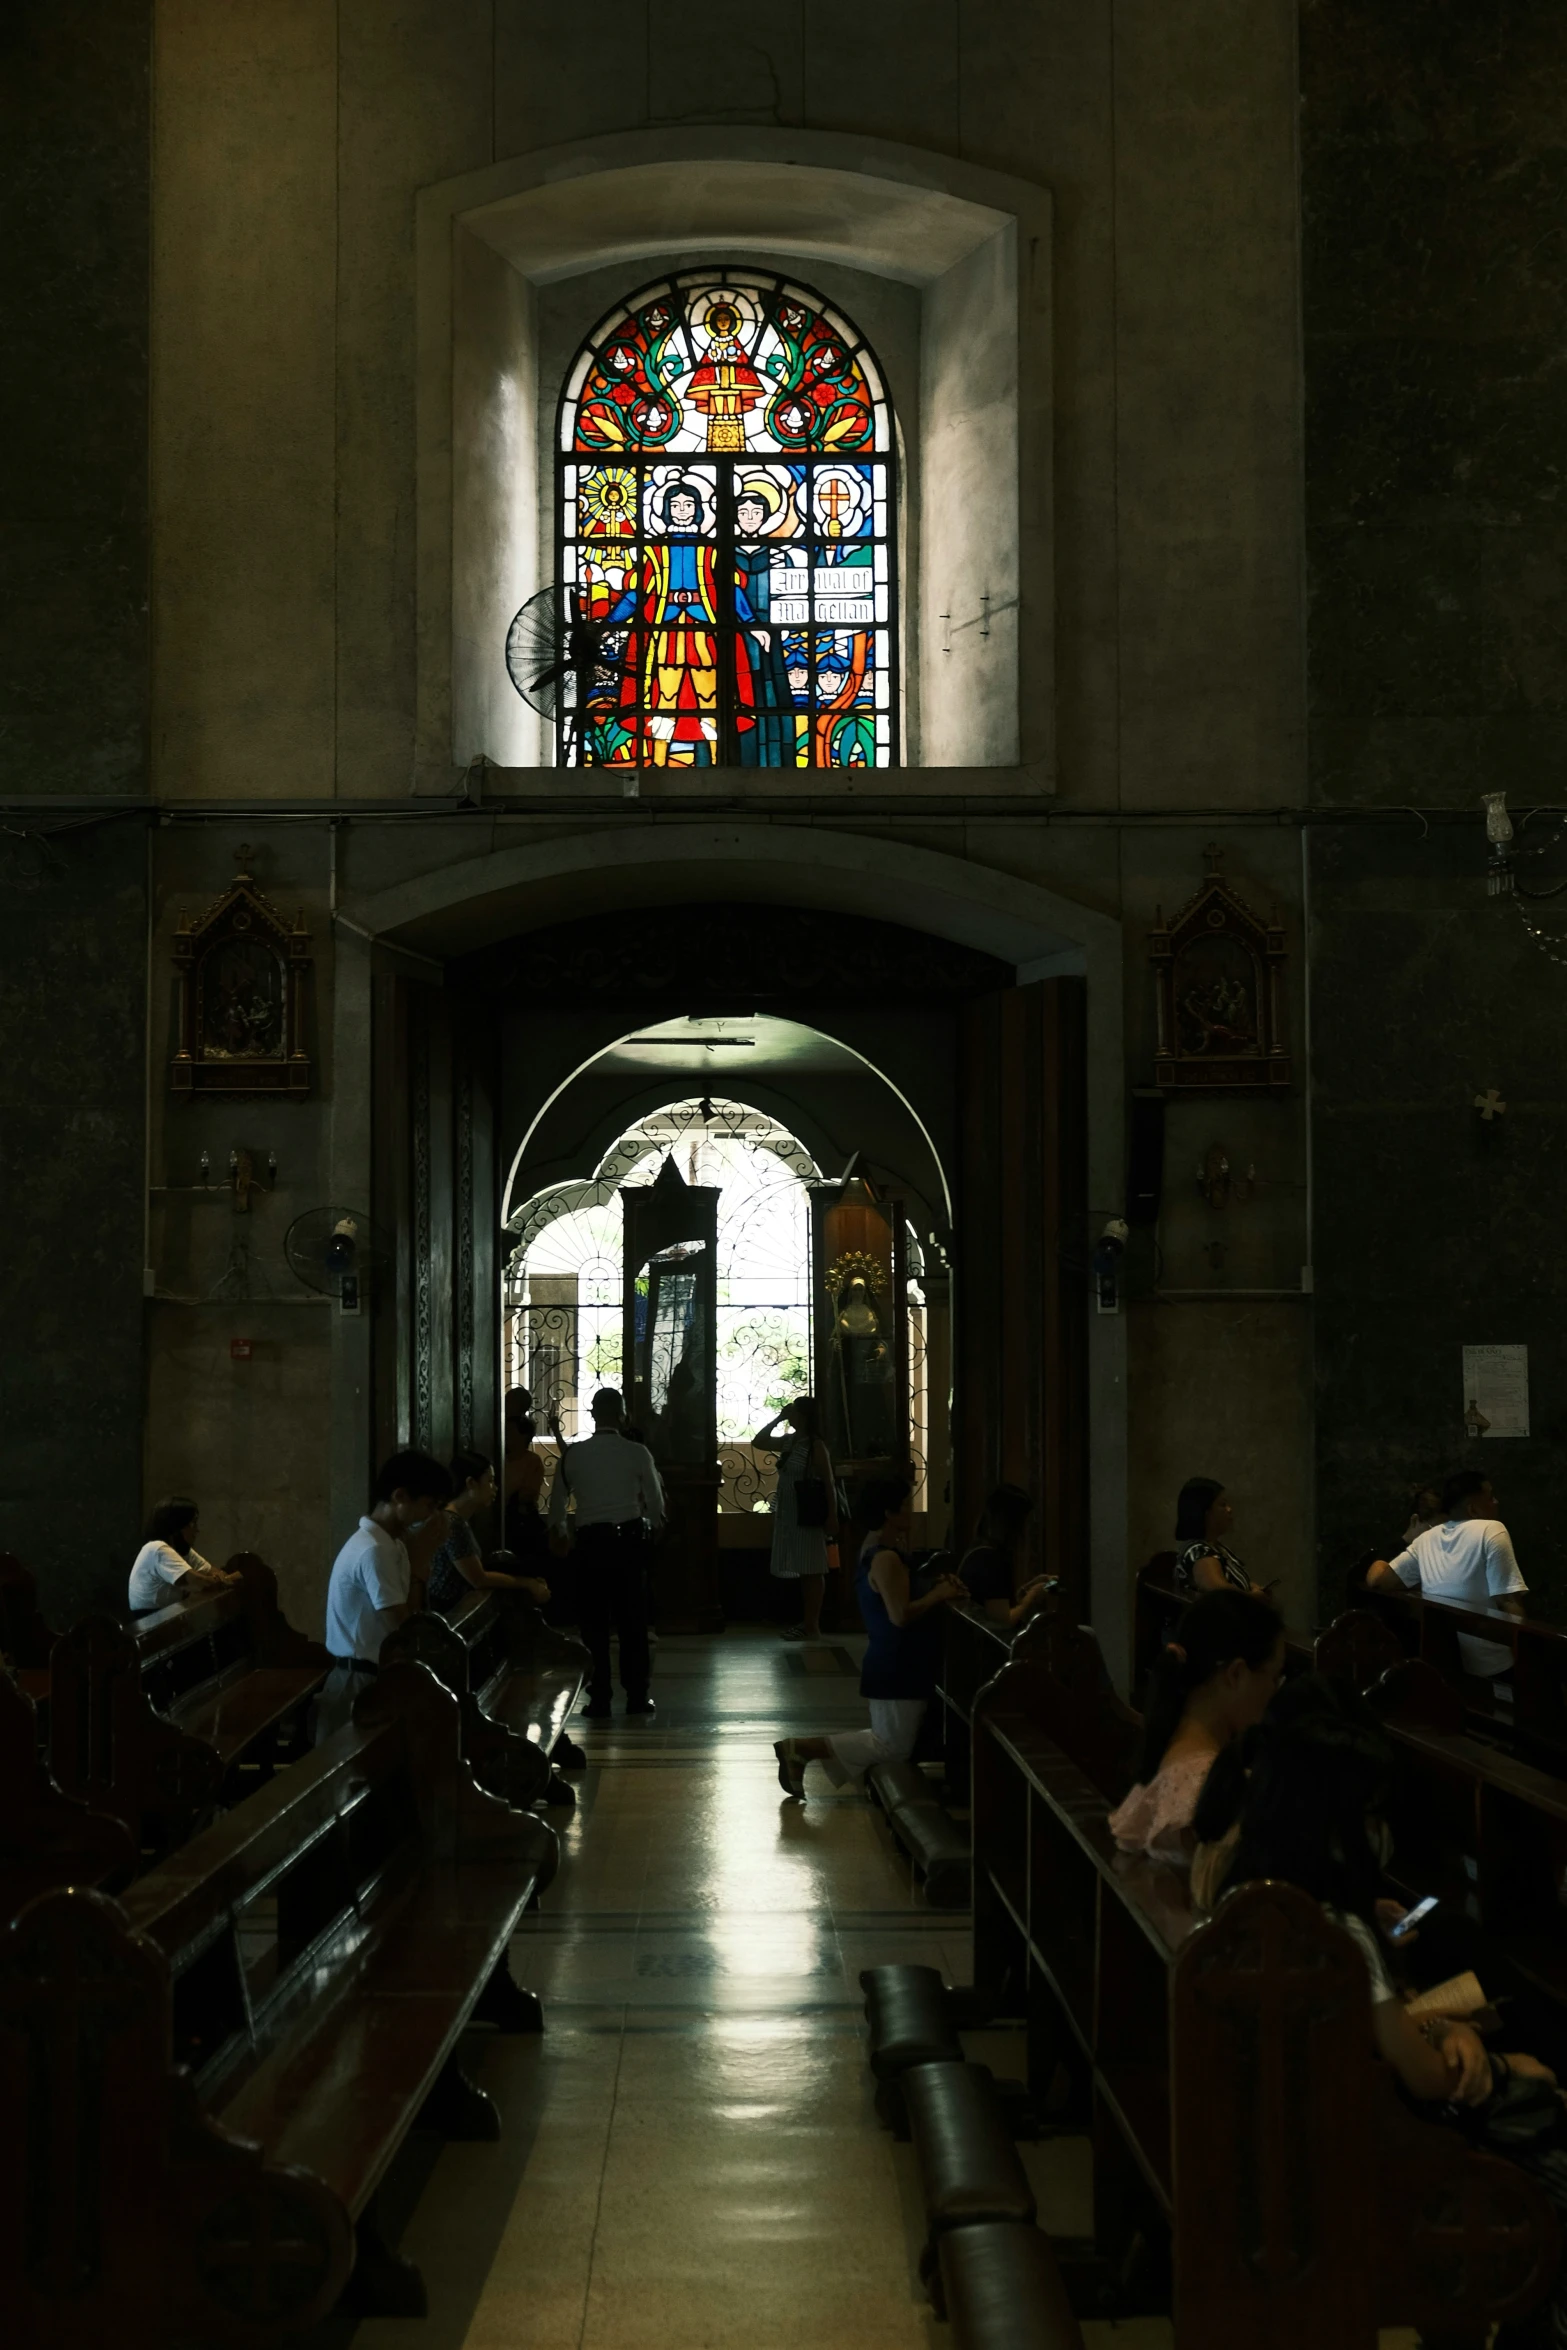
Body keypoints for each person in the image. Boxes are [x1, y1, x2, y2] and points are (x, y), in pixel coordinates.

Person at [772, 1472, 968, 1798]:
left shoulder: (882, 1549)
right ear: (889, 1513)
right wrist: (939, 1595)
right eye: (905, 1505)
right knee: (890, 1747)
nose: (910, 1510)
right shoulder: (885, 1557)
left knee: (891, 1740)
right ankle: (802, 1749)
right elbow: (899, 1615)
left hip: (898, 1660)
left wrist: (934, 1588)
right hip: (897, 1662)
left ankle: (806, 1751)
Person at [1108, 1590, 1285, 1859]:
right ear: (1236, 1675)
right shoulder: (1207, 1786)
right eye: (1273, 1678)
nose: (1275, 1693)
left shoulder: (1172, 1750)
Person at [315, 1449, 455, 1743]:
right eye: (429, 1505)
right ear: (400, 1496)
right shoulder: (374, 1550)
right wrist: (422, 1560)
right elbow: (401, 1629)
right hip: (357, 1681)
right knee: (344, 1776)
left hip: (376, 1676)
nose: (431, 1516)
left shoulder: (392, 1544)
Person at [548, 1387, 665, 1718]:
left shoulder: (574, 1455)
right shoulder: (637, 1452)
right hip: (628, 1543)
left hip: (590, 1544)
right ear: (623, 1414)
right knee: (633, 1622)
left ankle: (598, 1697)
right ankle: (637, 1696)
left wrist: (559, 1533)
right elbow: (655, 1503)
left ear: (593, 1414)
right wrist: (655, 1529)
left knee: (593, 1624)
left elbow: (557, 1505)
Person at [1364, 1468, 1527, 1680]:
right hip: (1491, 1666)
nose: (1496, 1502)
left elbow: (1378, 1581)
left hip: (1443, 1666)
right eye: (1490, 1497)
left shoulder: (1425, 1539)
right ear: (1473, 1510)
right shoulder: (1492, 1529)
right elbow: (1508, 1602)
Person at [754, 1394, 839, 1643]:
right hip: (790, 1514)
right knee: (804, 1569)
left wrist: (832, 1515)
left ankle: (812, 1625)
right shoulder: (791, 1442)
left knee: (813, 1568)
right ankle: (807, 1622)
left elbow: (828, 1482)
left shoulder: (816, 1446)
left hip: (808, 1514)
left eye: (793, 1411)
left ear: (802, 1415)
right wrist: (778, 1418)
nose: (789, 1414)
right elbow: (759, 1441)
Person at [427, 1450, 552, 1615]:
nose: (495, 1488)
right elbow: (478, 1579)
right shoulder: (452, 1522)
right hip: (447, 1612)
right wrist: (527, 1583)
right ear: (471, 1483)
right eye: (490, 1481)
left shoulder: (456, 1519)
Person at [959, 1485, 1055, 1629]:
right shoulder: (989, 1560)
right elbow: (1003, 1621)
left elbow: (994, 1603)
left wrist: (1025, 1590)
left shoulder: (979, 1550)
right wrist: (1033, 1595)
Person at [127, 1497, 240, 1615]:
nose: (197, 1530)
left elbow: (212, 1572)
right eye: (192, 1523)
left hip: (168, 1619)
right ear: (176, 1526)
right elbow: (198, 1582)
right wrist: (219, 1580)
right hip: (149, 1623)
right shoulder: (157, 1548)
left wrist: (218, 1578)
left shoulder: (182, 1550)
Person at [1172, 1477, 1264, 1596]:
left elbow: (1231, 1580)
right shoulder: (1198, 1552)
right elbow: (1219, 1592)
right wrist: (1252, 1597)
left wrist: (1253, 1587)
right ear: (1205, 1512)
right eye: (1222, 1505)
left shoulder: (1216, 1547)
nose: (1229, 1509)